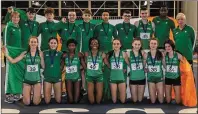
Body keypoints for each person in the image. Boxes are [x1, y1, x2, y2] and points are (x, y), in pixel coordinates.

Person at [2, 36, 44, 105]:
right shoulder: (25, 53)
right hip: (27, 81)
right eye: (32, 42)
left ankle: (38, 95)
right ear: (29, 43)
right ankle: (28, 94)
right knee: (27, 103)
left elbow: (43, 65)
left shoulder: (40, 53)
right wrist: (5, 54)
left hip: (37, 81)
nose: (33, 43)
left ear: (37, 43)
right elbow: (13, 61)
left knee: (36, 103)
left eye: (35, 42)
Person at [93, 11, 118, 101]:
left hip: (110, 53)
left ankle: (109, 94)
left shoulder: (112, 27)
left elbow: (116, 39)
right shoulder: (97, 27)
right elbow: (94, 41)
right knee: (100, 74)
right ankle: (100, 94)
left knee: (108, 73)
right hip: (99, 53)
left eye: (107, 15)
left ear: (109, 16)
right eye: (104, 15)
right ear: (101, 17)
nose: (105, 16)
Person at [85, 38, 110, 104]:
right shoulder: (87, 54)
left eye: (96, 43)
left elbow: (107, 64)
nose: (94, 44)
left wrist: (115, 69)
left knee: (98, 101)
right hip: (89, 77)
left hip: (99, 76)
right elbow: (84, 64)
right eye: (92, 43)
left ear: (98, 45)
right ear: (90, 45)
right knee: (92, 101)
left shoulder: (102, 54)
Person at [61, 39, 86, 103]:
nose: (71, 47)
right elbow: (61, 67)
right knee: (70, 100)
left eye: (73, 45)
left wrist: (82, 68)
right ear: (67, 47)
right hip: (68, 78)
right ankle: (71, 95)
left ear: (75, 46)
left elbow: (84, 66)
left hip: (77, 78)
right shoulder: (64, 56)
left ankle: (80, 94)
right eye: (70, 45)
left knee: (76, 100)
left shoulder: (79, 55)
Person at [107, 39, 130, 103]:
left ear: (120, 45)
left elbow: (128, 64)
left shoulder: (124, 53)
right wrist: (111, 68)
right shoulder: (110, 54)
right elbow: (106, 63)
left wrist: (125, 68)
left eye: (117, 44)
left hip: (121, 78)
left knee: (123, 101)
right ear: (112, 45)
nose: (116, 45)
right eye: (114, 44)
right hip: (113, 78)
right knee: (114, 101)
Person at [43, 37, 63, 104]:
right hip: (47, 78)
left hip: (57, 78)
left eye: (55, 43)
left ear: (57, 44)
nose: (53, 44)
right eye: (51, 43)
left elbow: (65, 63)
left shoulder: (61, 54)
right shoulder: (44, 53)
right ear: (48, 43)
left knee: (58, 100)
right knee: (47, 101)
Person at [146, 38, 165, 104]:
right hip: (150, 78)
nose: (153, 45)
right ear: (149, 44)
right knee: (153, 101)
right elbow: (142, 66)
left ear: (157, 45)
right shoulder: (146, 55)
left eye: (155, 43)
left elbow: (165, 66)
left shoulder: (161, 54)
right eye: (152, 43)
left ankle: (159, 95)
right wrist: (145, 68)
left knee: (161, 101)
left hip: (159, 78)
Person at [164, 39, 182, 104]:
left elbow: (184, 65)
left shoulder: (178, 55)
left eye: (169, 46)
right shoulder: (164, 55)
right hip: (168, 77)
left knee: (178, 101)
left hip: (176, 77)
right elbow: (164, 66)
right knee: (168, 101)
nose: (167, 48)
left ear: (172, 46)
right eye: (166, 47)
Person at [129, 38, 147, 103]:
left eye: (139, 44)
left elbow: (144, 65)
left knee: (140, 100)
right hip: (133, 79)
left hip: (142, 78)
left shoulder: (143, 53)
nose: (137, 46)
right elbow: (127, 63)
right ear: (132, 44)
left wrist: (144, 68)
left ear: (141, 45)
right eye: (135, 44)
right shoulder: (128, 53)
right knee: (134, 100)